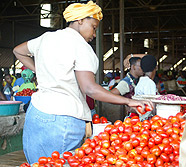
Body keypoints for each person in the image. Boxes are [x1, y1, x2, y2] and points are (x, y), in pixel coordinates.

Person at [13, 1, 153, 164]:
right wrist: (129, 101)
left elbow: (18, 51)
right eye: (94, 27)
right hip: (63, 118)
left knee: (37, 163)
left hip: (36, 113)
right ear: (80, 20)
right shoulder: (82, 47)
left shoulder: (46, 38)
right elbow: (90, 89)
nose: (94, 34)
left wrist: (42, 71)